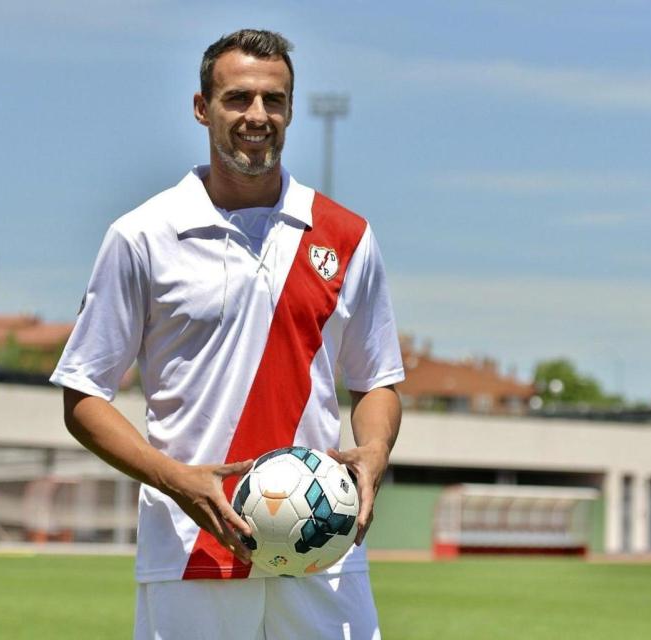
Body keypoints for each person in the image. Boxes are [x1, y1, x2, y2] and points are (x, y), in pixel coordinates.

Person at [51, 29, 404, 639]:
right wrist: (177, 480)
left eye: (274, 100)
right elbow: (82, 395)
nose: (257, 116)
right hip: (192, 552)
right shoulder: (143, 235)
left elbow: (377, 382)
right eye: (238, 98)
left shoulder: (347, 237)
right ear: (201, 108)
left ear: (290, 109)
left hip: (322, 549)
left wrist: (373, 453)